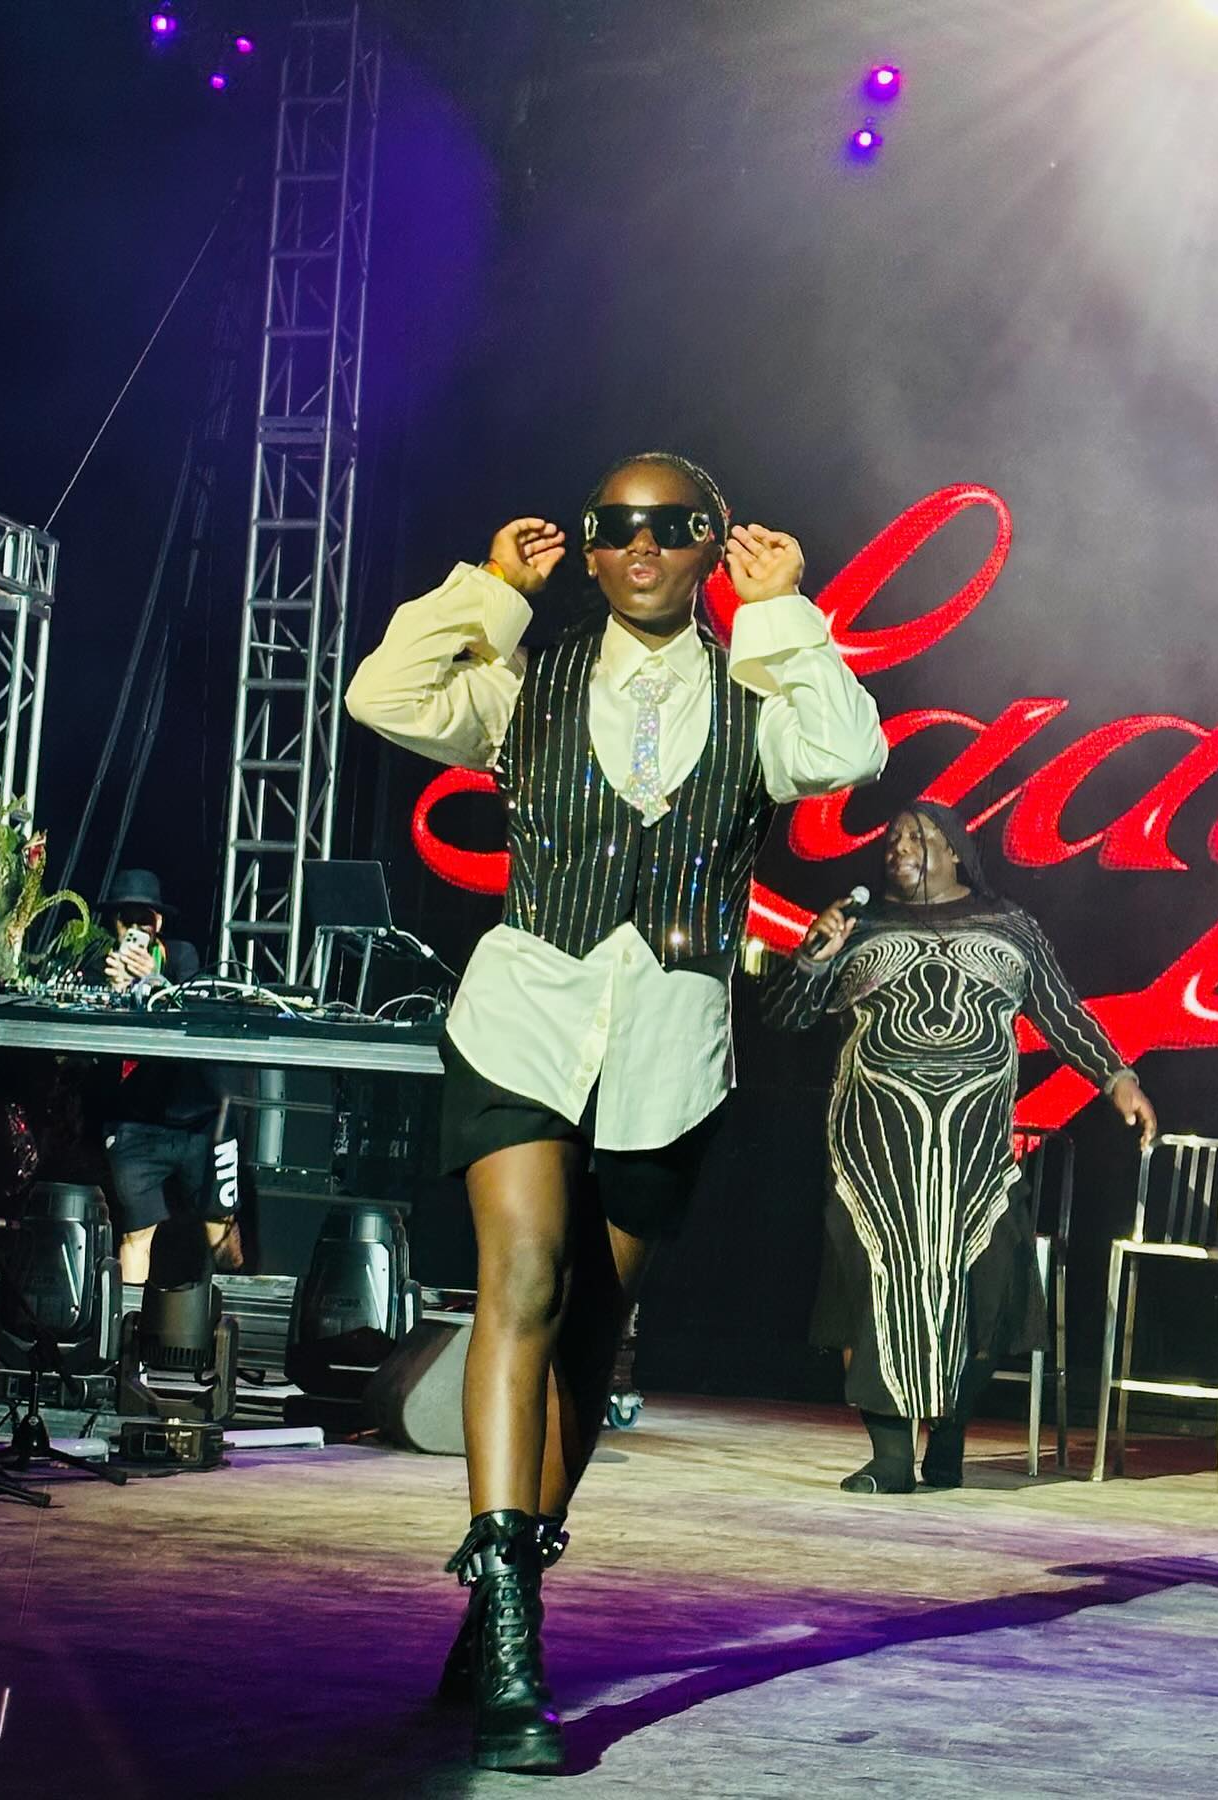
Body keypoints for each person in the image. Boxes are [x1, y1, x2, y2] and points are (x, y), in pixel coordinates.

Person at [346, 450, 886, 1772]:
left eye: (673, 525)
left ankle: (507, 1595)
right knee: (525, 1279)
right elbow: (382, 692)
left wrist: (782, 612)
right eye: (617, 526)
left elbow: (846, 749)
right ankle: (511, 1633)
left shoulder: (754, 693)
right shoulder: (521, 683)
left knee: (590, 1338)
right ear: (587, 549)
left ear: (714, 544)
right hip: (524, 1021)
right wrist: (491, 589)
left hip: (668, 1052)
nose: (643, 546)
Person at [765, 802, 1157, 1495]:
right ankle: (891, 1459)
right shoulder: (857, 928)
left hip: (977, 1154)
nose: (899, 847)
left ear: (955, 853)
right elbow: (785, 1016)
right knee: (877, 1290)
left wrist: (1115, 1077)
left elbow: (1061, 1009)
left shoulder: (1009, 926)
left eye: (918, 837)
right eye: (892, 838)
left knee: (983, 1290)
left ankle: (947, 1439)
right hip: (873, 1151)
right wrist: (810, 957)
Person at [93, 869, 243, 1285]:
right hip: (137, 1126)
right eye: (126, 919)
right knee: (135, 1236)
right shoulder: (99, 965)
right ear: (114, 923)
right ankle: (125, 1323)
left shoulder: (181, 958)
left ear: (158, 922)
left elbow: (188, 1008)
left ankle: (232, 1312)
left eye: (144, 919)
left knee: (222, 1235)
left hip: (199, 1122)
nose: (135, 929)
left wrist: (151, 982)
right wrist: (115, 993)